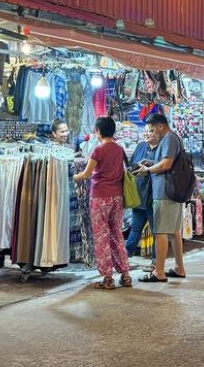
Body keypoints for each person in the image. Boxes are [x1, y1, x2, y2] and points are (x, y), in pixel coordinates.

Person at [72, 117, 131, 290]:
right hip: (117, 197)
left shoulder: (98, 150)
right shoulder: (119, 149)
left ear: (98, 131)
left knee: (101, 237)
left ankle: (107, 278)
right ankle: (125, 274)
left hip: (100, 197)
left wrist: (74, 176)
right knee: (117, 235)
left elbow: (85, 174)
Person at [135, 113, 187, 283]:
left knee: (161, 232)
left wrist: (148, 170)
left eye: (152, 129)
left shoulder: (169, 139)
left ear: (160, 126)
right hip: (171, 192)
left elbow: (166, 164)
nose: (151, 133)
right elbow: (164, 162)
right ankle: (179, 267)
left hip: (164, 192)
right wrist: (151, 163)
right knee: (174, 232)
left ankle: (159, 271)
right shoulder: (171, 139)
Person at [125, 124, 158, 271]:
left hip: (153, 195)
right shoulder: (140, 146)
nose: (147, 134)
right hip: (139, 195)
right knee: (135, 229)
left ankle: (156, 261)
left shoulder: (162, 149)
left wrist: (150, 166)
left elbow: (164, 167)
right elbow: (131, 165)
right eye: (145, 131)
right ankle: (124, 257)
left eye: (150, 131)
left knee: (157, 231)